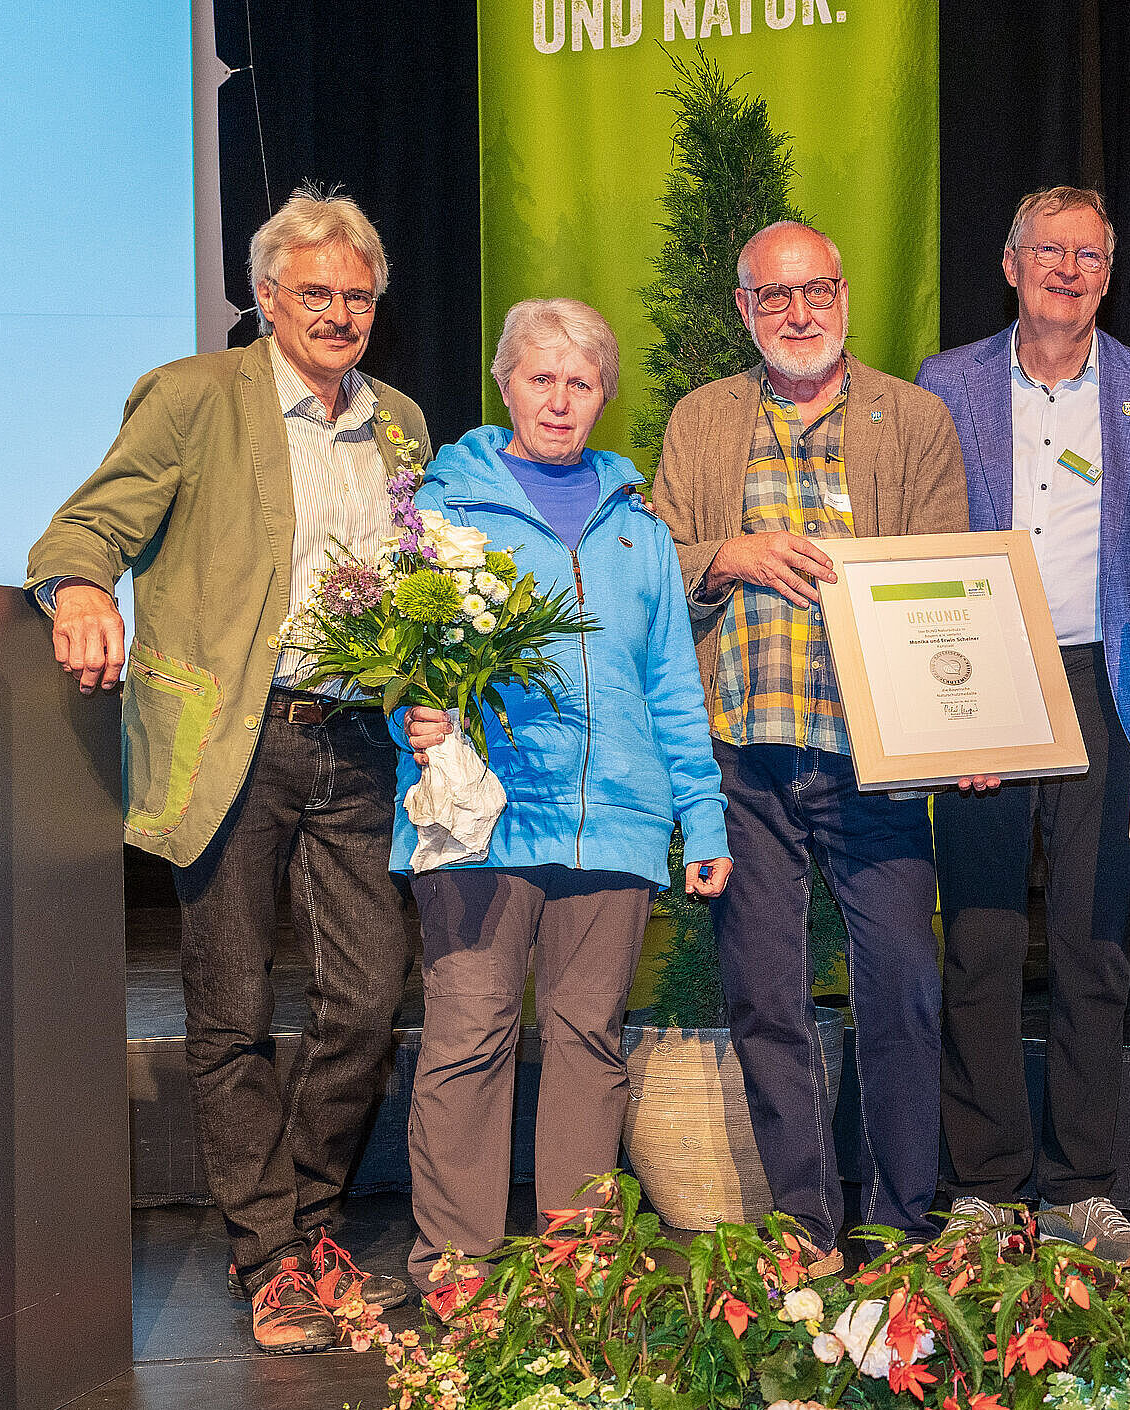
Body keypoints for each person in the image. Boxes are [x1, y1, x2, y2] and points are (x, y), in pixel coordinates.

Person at [26, 186, 421, 1353]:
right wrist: (84, 589)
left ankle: (300, 1220)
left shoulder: (399, 420)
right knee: (233, 1008)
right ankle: (272, 1260)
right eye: (317, 295)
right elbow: (80, 530)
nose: (340, 314)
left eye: (358, 297)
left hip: (361, 742)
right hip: (235, 741)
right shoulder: (197, 397)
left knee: (367, 996)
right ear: (265, 296)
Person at [392, 298, 732, 1318]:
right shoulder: (442, 510)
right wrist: (410, 719)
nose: (560, 399)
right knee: (469, 1035)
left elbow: (673, 682)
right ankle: (457, 1268)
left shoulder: (640, 529)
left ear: (604, 395)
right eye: (540, 378)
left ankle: (576, 1265)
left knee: (587, 1041)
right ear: (505, 384)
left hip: (616, 827)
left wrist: (701, 817)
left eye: (580, 382)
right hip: (480, 824)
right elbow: (402, 667)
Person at [647, 220, 973, 1253]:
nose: (801, 313)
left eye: (818, 291)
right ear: (744, 309)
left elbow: (946, 586)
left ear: (844, 295)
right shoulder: (701, 421)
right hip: (740, 753)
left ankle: (901, 1222)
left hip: (871, 758)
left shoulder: (913, 420)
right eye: (776, 296)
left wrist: (962, 726)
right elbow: (657, 561)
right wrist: (728, 553)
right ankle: (803, 1224)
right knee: (765, 998)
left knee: (904, 992)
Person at [915, 186, 1130, 1262]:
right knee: (980, 936)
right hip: (979, 672)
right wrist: (956, 709)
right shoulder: (948, 384)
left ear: (1108, 276)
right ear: (1010, 262)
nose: (1067, 271)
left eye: (1088, 256)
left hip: (1099, 682)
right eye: (1048, 252)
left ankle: (1080, 1186)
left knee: (1094, 941)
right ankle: (983, 1188)